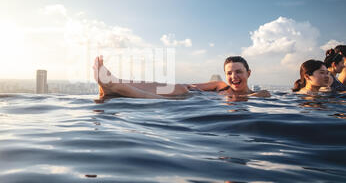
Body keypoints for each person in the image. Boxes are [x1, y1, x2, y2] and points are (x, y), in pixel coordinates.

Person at [93, 55, 270, 99]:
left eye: (239, 72)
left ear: (249, 73)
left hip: (192, 106)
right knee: (181, 88)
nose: (234, 77)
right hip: (195, 100)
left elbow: (262, 96)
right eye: (229, 73)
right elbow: (189, 86)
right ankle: (116, 83)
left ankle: (115, 88)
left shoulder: (262, 95)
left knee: (175, 96)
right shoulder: (220, 86)